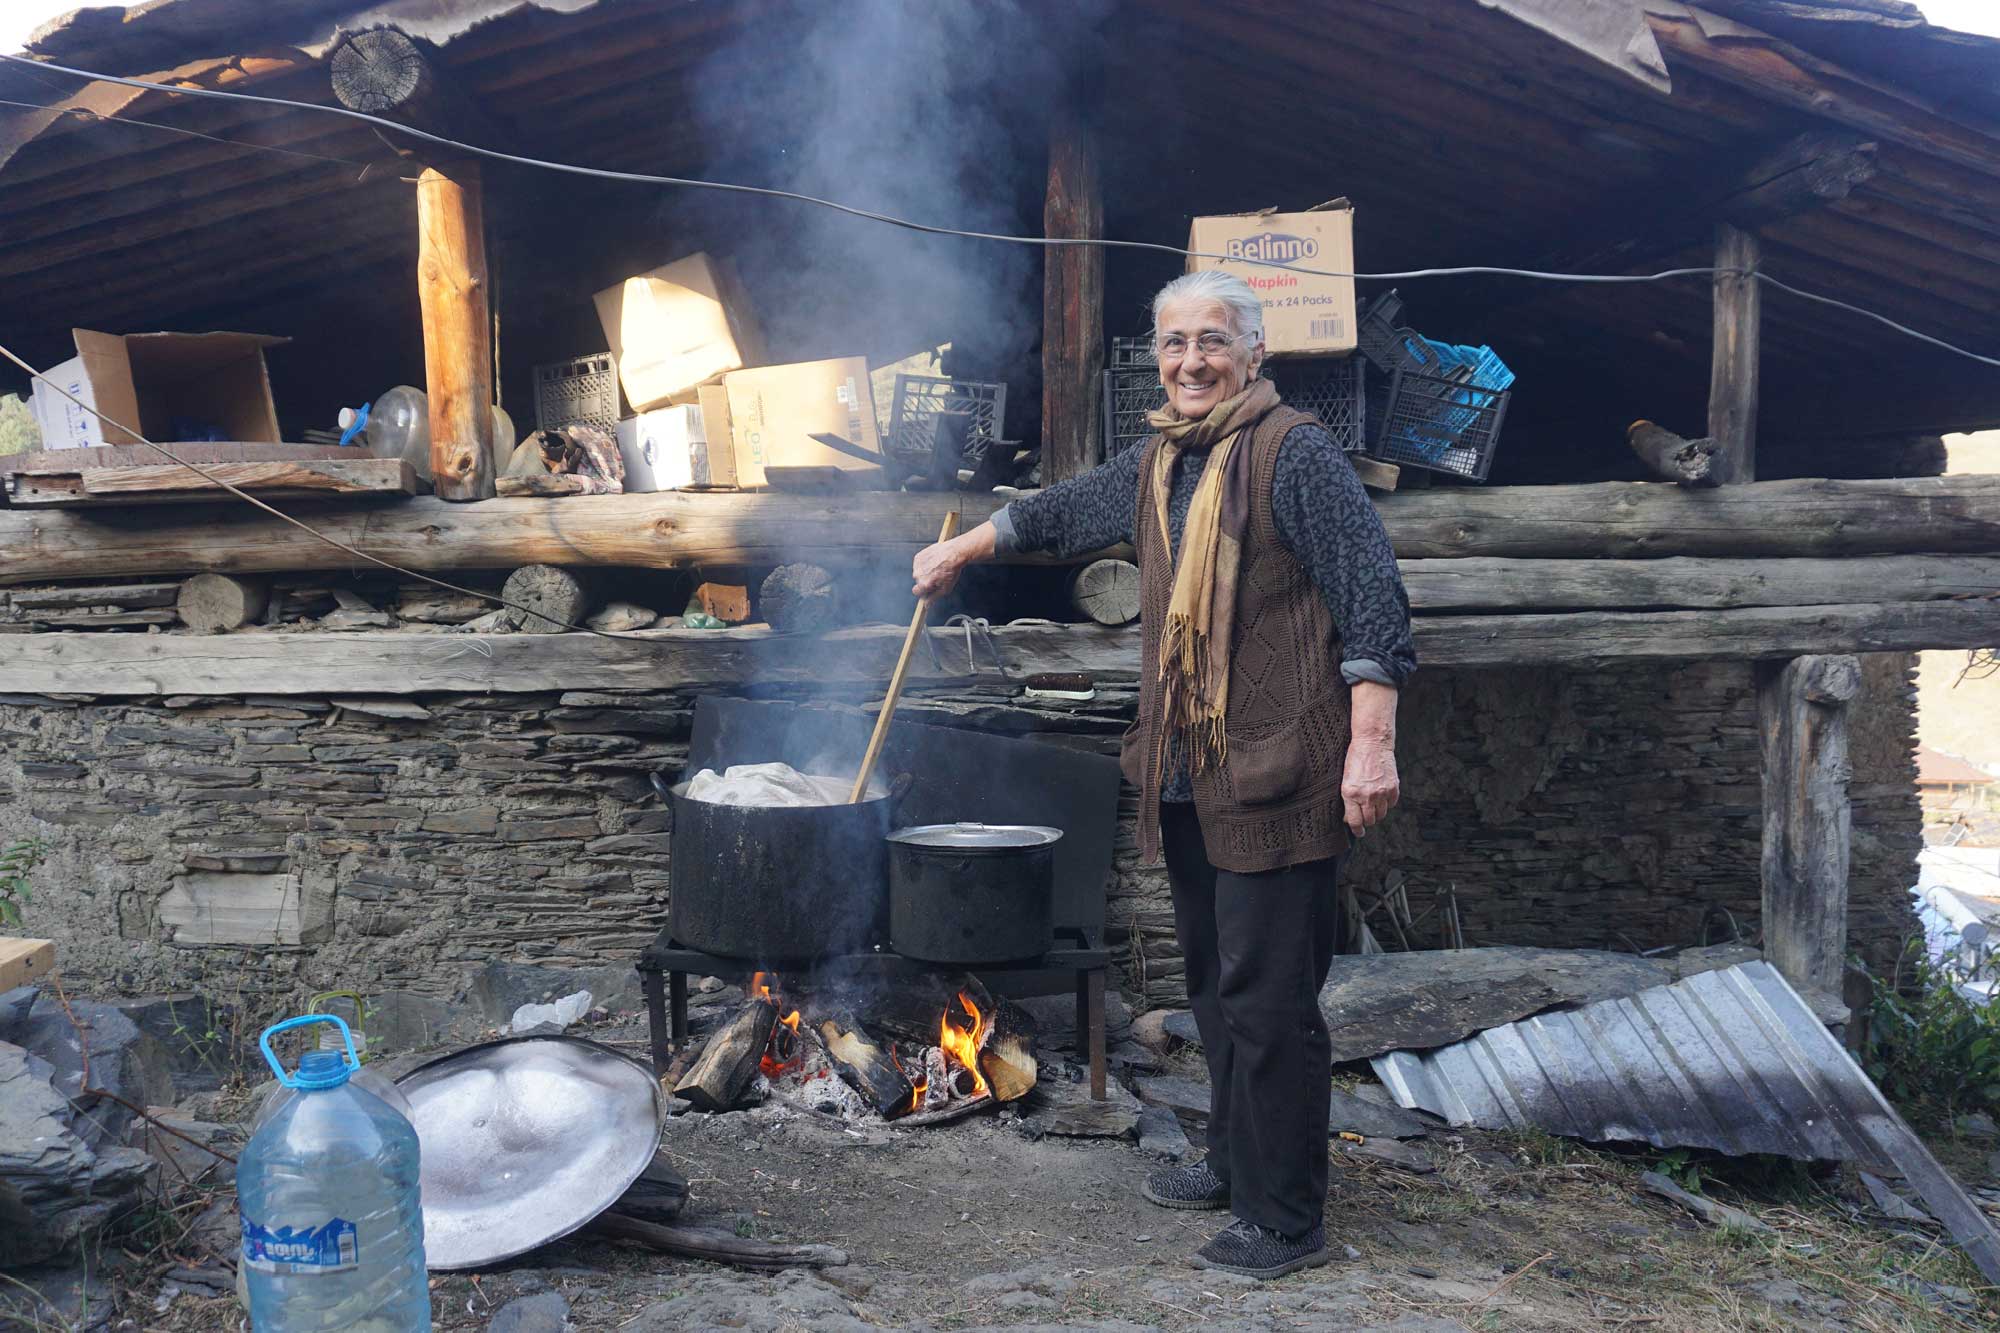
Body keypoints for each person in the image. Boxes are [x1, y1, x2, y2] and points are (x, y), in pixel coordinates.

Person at [912, 269, 1415, 1279]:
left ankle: (1285, 1217)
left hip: (1281, 767)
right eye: (1175, 342)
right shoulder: (1161, 460)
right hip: (1191, 770)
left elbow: (1374, 600)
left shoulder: (1294, 454)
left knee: (1270, 1000)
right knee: (1216, 986)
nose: (1191, 361)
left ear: (1254, 352)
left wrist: (1372, 744)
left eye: (1212, 341)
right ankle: (1233, 1161)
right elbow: (1060, 511)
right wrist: (962, 547)